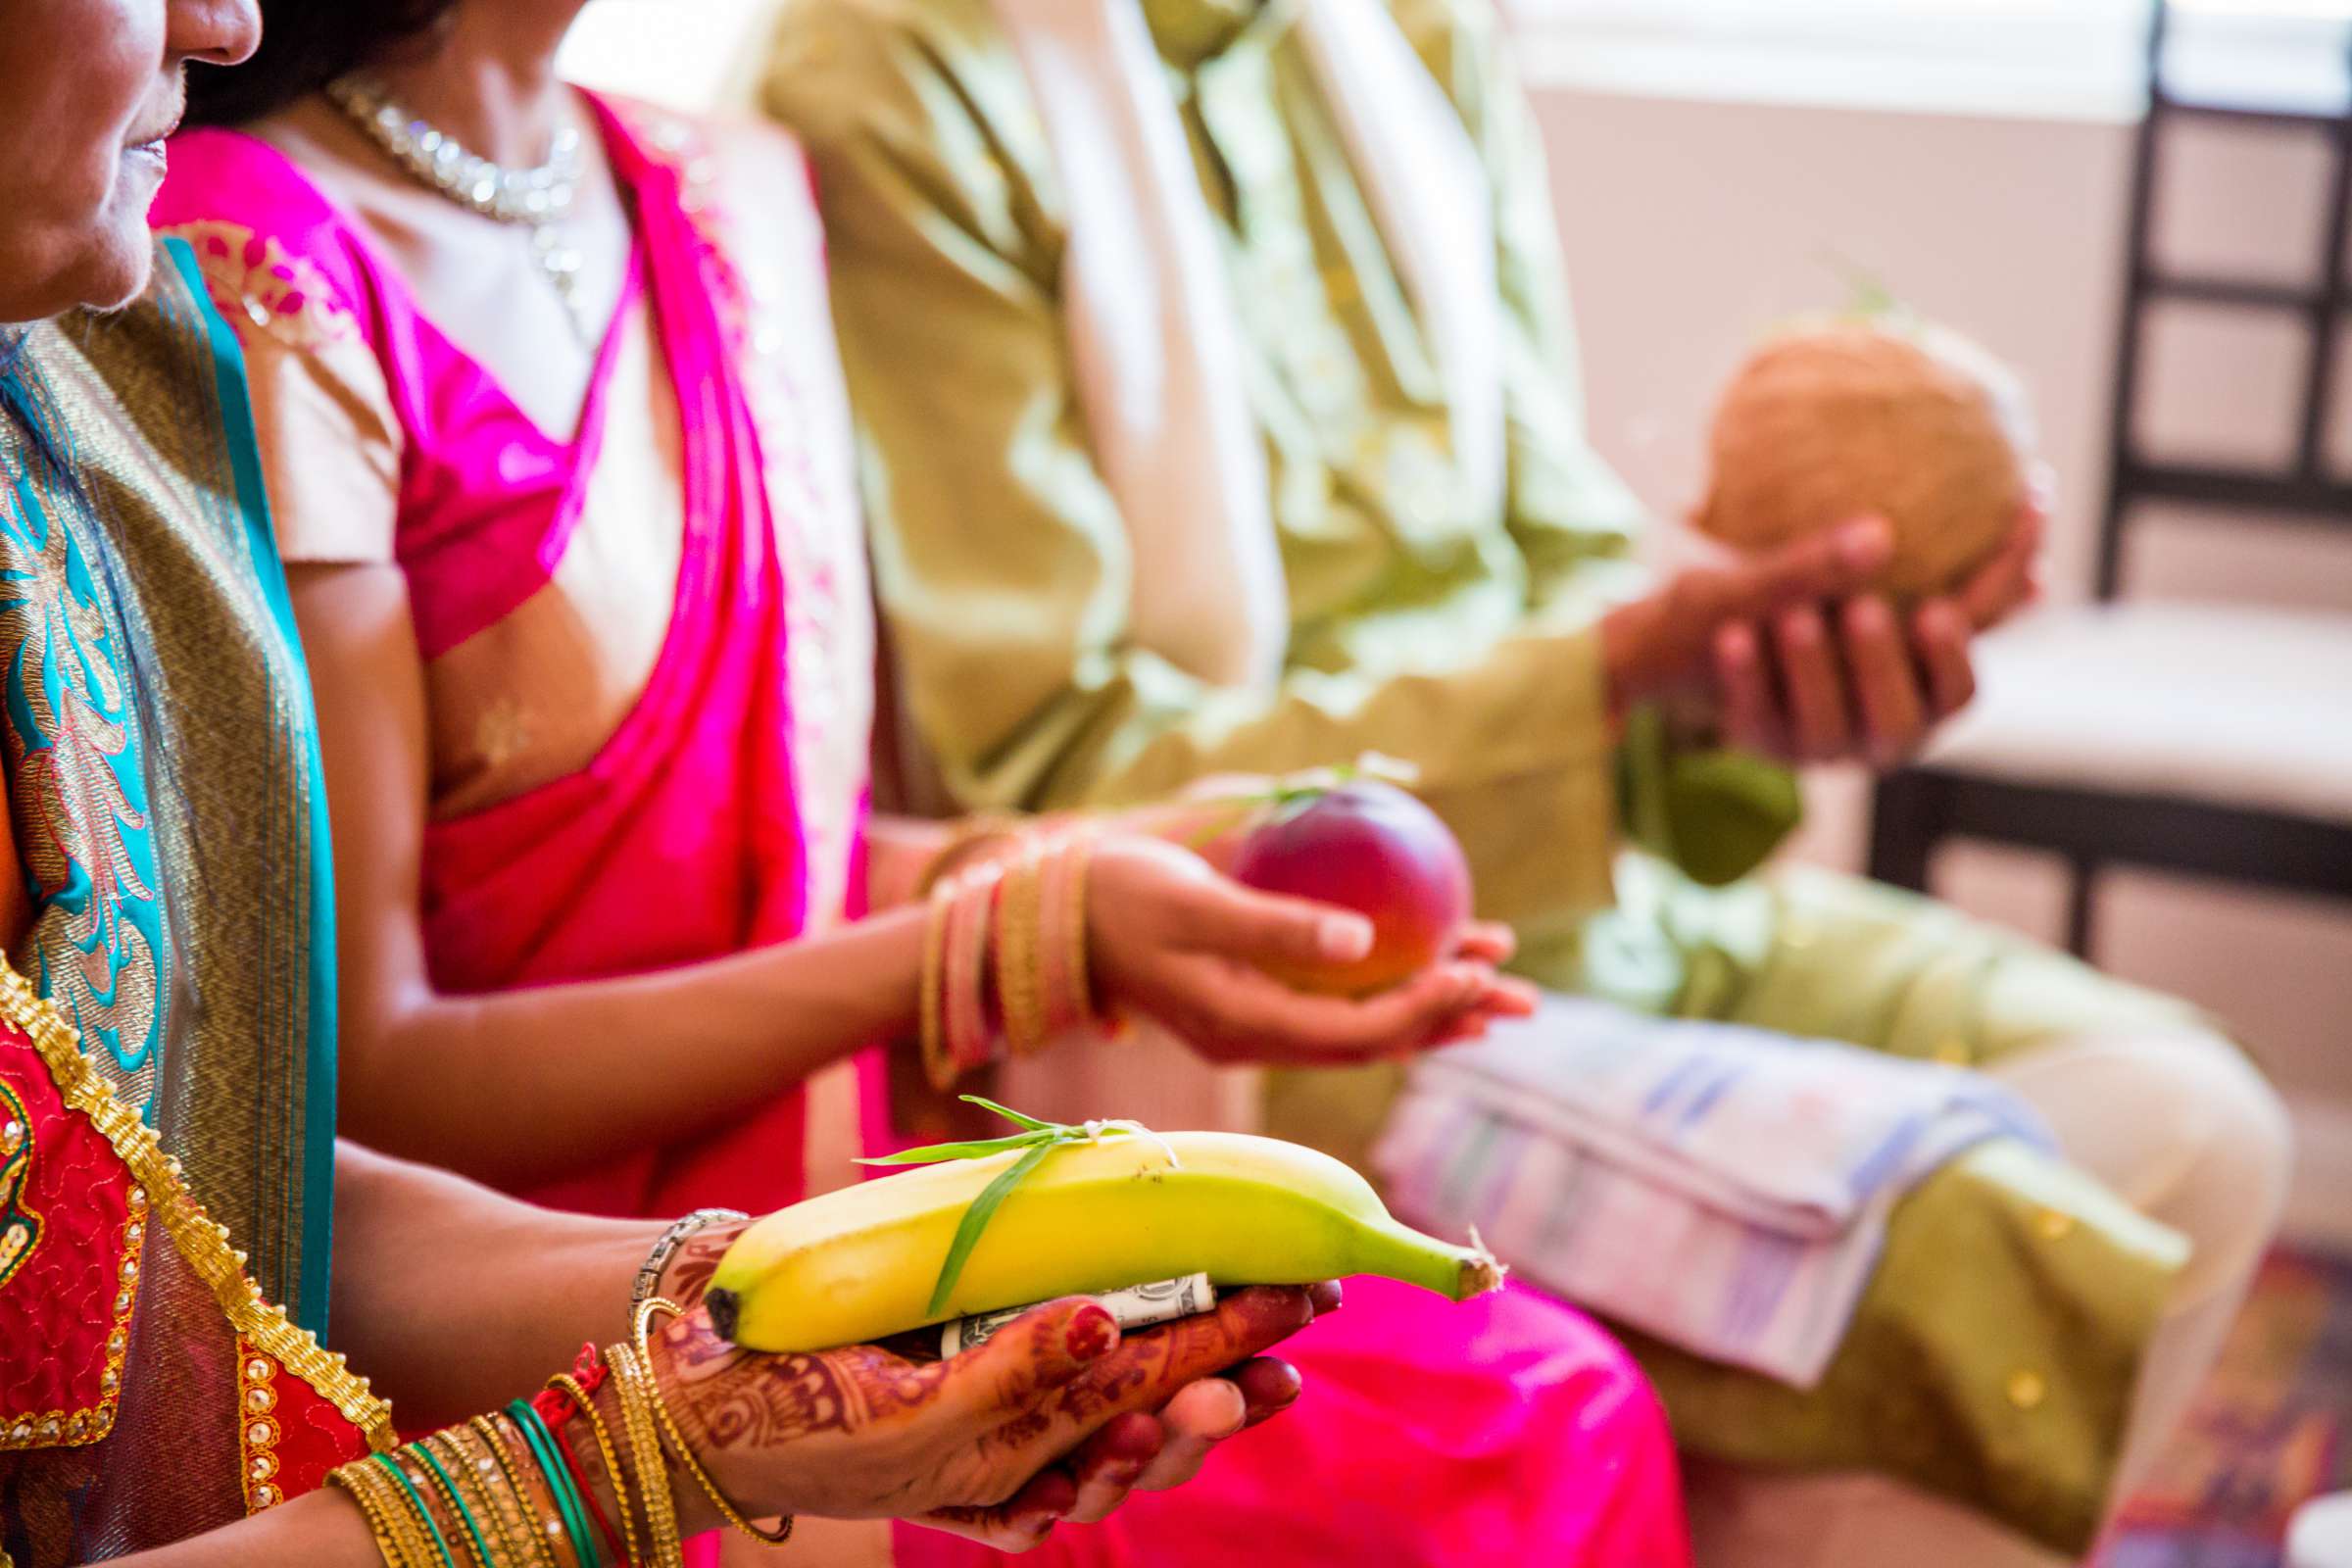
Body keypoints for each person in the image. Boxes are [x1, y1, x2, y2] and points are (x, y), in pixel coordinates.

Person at [151, 3, 1696, 1565]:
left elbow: (756, 853)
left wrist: (1120, 894)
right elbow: (360, 1076)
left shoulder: (715, 188)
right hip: (551, 1320)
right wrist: (1014, 937)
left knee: (1537, 1396)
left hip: (841, 1189)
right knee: (1503, 1438)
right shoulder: (248, 258)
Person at [753, 0, 2296, 1559]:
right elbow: (1053, 775)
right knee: (1995, 1262)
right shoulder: (901, 75)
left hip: (1599, 901)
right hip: (1270, 1000)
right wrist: (1614, 669)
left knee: (2189, 1128)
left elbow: (1558, 558)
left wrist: (1731, 686)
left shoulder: (1412, 29)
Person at [0, 1, 1324, 1562]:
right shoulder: (229, 268)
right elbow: (359, 1065)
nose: (222, 21)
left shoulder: (74, 406)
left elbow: (221, 1197)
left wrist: (769, 1322)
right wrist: (650, 1443)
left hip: (616, 1248)